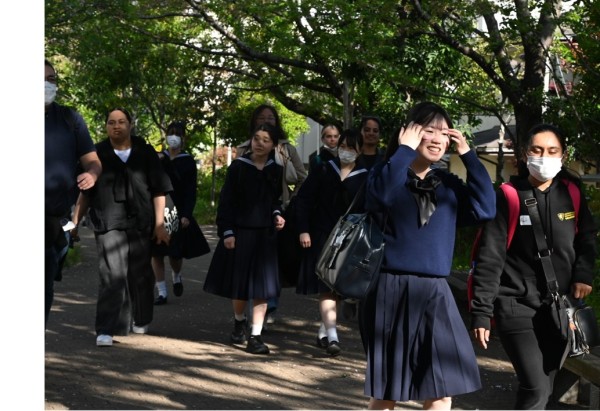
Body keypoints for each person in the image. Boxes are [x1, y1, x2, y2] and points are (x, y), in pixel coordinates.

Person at [360, 101, 496, 410]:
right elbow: (381, 196)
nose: (437, 139)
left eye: (444, 133)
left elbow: (486, 209)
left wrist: (468, 155)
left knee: (441, 388)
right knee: (386, 391)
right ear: (409, 132)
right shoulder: (387, 173)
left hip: (436, 292)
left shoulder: (447, 184)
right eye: (429, 131)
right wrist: (403, 151)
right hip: (389, 289)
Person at [470, 123, 597, 409]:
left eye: (552, 151)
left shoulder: (572, 193)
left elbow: (586, 239)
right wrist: (481, 312)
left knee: (543, 390)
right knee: (536, 387)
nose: (544, 157)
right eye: (537, 150)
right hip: (515, 304)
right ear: (525, 153)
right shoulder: (508, 195)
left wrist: (583, 274)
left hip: (559, 308)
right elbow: (490, 256)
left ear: (563, 155)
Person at [72, 108, 172, 347]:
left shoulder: (145, 152)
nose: (116, 126)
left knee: (141, 274)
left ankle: (141, 317)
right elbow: (85, 194)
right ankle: (106, 329)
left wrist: (160, 224)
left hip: (141, 222)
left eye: (121, 122)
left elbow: (159, 190)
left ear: (130, 124)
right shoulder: (96, 155)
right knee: (111, 274)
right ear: (106, 126)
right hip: (108, 222)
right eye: (111, 122)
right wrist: (75, 223)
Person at [203, 123, 285, 355]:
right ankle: (239, 321)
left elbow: (275, 200)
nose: (260, 143)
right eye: (257, 138)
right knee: (240, 289)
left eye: (266, 140)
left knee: (262, 289)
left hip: (265, 236)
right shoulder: (239, 167)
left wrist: (277, 215)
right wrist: (227, 231)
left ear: (273, 145)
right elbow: (226, 202)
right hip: (240, 234)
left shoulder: (276, 170)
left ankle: (255, 336)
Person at [295, 128, 368, 356]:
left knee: (338, 287)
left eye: (351, 148)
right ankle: (333, 337)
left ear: (360, 150)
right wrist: (303, 230)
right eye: (342, 146)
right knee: (326, 285)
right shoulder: (324, 169)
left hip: (349, 240)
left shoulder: (366, 176)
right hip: (322, 234)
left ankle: (323, 331)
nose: (345, 151)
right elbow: (304, 200)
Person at [237, 104, 308, 324]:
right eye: (261, 117)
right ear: (254, 121)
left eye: (271, 118)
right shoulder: (243, 149)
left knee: (272, 261)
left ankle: (268, 306)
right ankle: (250, 309)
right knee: (251, 262)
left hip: (279, 213)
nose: (266, 121)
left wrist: (291, 199)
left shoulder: (287, 149)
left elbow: (303, 177)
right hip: (250, 214)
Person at [45, 59, 102, 325]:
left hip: (51, 224)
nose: (46, 84)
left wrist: (92, 174)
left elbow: (93, 161)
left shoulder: (70, 119)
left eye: (51, 79)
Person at [151, 121, 210, 305]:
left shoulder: (187, 161)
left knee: (174, 254)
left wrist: (186, 214)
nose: (173, 137)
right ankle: (162, 292)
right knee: (156, 252)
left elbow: (190, 190)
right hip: (157, 210)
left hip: (176, 212)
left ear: (183, 138)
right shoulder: (158, 158)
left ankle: (176, 276)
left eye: (177, 134)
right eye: (171, 133)